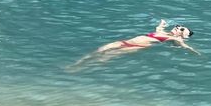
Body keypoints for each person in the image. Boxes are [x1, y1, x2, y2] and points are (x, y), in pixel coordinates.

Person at [69, 20, 200, 70]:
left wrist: (195, 52)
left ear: (182, 35)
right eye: (178, 26)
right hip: (126, 42)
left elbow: (184, 46)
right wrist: (162, 23)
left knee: (107, 56)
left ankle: (81, 68)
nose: (178, 27)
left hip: (135, 46)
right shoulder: (162, 32)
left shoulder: (175, 39)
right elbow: (158, 27)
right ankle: (76, 64)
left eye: (181, 29)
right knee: (101, 49)